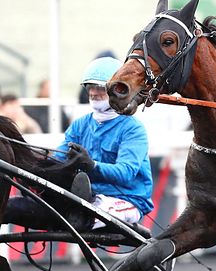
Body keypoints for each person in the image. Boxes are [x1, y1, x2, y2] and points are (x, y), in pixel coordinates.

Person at [3, 57, 154, 231]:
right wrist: (33, 170)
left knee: (84, 214)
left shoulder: (133, 129)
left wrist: (92, 165)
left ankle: (79, 212)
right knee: (9, 207)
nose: (94, 93)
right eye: (90, 87)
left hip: (126, 199)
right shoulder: (80, 124)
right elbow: (58, 161)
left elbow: (126, 173)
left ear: (117, 90)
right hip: (81, 200)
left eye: (100, 88)